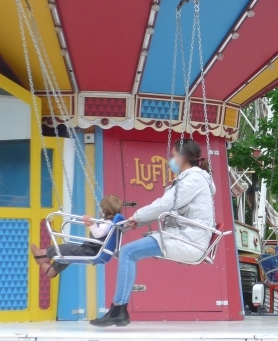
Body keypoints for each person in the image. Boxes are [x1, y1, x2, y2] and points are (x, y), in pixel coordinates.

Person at [90, 139, 216, 328]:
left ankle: (118, 310)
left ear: (183, 158)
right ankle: (119, 310)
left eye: (173, 156)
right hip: (186, 236)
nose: (170, 160)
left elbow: (165, 205)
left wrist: (138, 216)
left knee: (127, 252)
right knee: (128, 252)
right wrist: (137, 221)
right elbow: (169, 208)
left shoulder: (193, 179)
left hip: (188, 240)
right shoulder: (193, 178)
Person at [30, 194, 124, 278]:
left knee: (66, 249)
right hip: (92, 250)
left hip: (91, 252)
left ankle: (42, 255)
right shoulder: (111, 224)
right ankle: (52, 270)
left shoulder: (107, 223)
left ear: (104, 211)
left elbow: (98, 233)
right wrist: (92, 223)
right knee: (69, 253)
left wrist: (91, 224)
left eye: (100, 209)